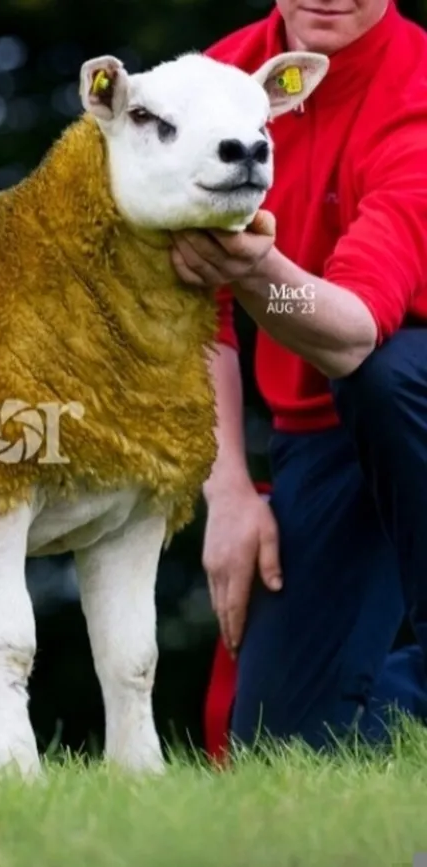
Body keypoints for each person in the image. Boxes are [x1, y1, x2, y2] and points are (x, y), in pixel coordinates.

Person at [173, 0, 427, 752]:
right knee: (278, 748)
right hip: (319, 435)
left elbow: (350, 333)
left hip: (401, 381)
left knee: (382, 373)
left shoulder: (416, 95)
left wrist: (258, 276)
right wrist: (228, 492)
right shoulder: (214, 78)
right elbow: (196, 315)